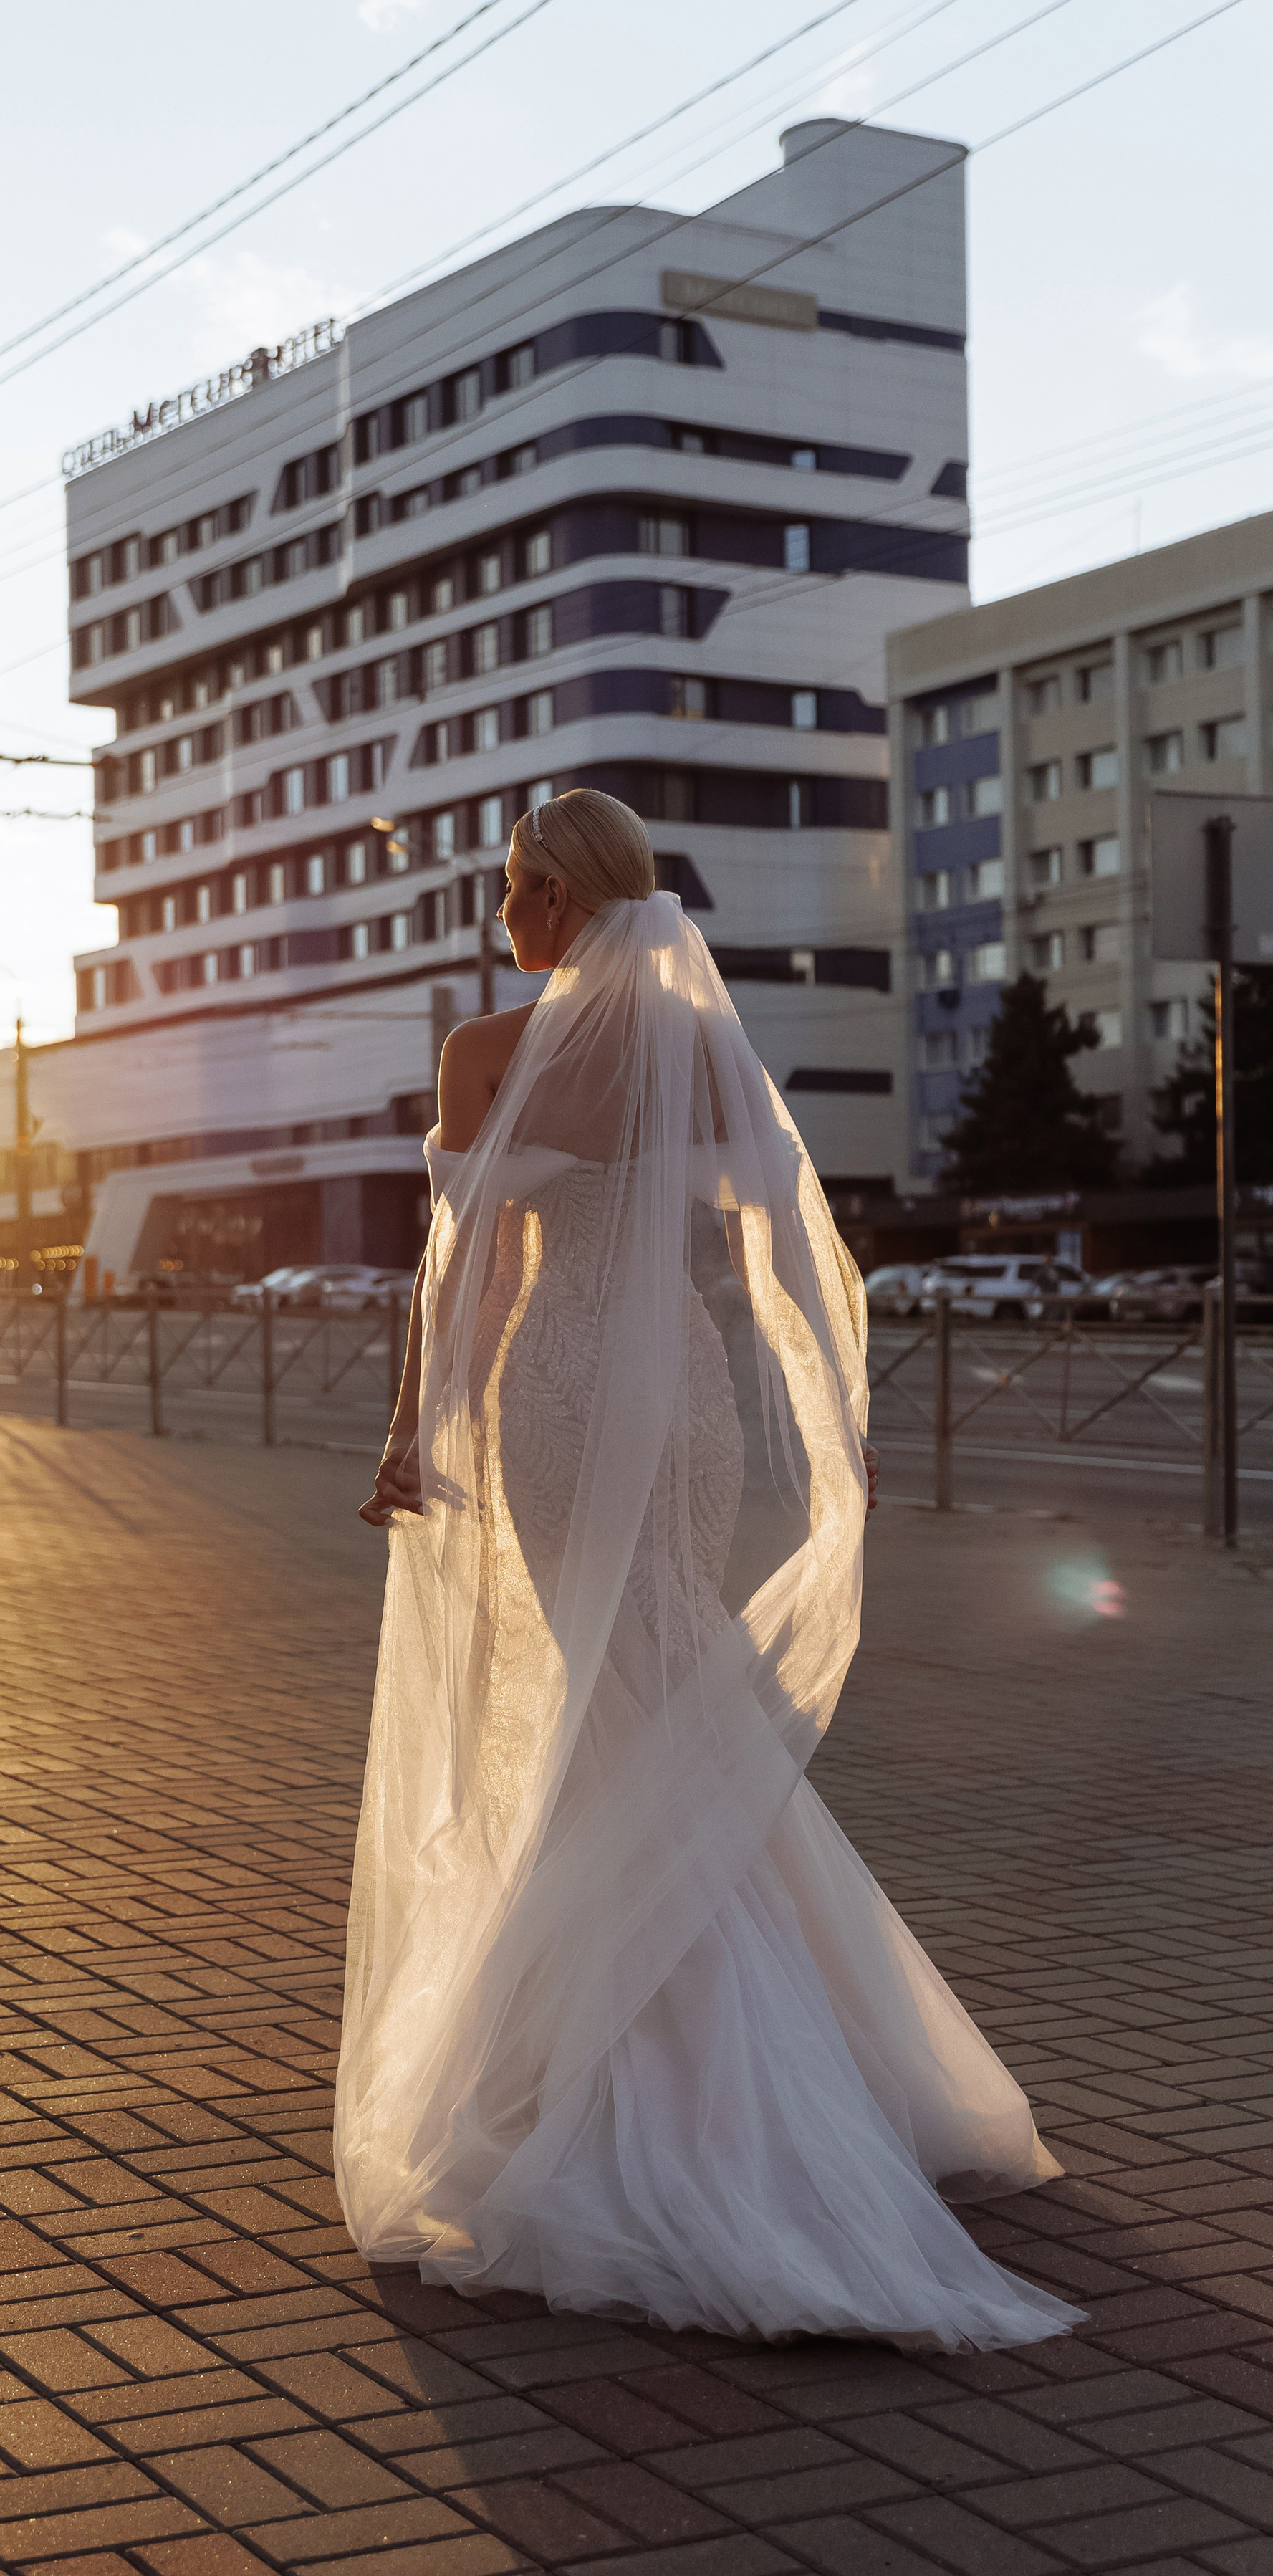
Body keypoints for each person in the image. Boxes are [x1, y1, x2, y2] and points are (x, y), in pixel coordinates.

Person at [335, 789, 1077, 2349]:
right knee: (664, 1690)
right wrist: (833, 1427)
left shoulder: (491, 1050)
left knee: (621, 1702)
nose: (501, 916)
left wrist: (412, 1433)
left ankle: (650, 2089)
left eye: (507, 889)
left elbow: (459, 1277)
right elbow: (791, 1248)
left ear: (544, 894)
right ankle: (826, 2057)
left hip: (557, 1394)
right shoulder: (704, 1047)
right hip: (675, 1394)